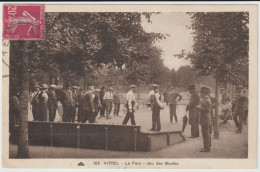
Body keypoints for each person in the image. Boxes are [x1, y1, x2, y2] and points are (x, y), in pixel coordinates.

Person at [196, 87, 212, 152]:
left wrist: (198, 108)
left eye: (201, 93)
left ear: (204, 93)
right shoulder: (204, 99)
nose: (200, 94)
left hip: (205, 119)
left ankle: (206, 148)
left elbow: (206, 110)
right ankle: (208, 146)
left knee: (205, 133)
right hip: (205, 118)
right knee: (206, 133)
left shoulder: (206, 100)